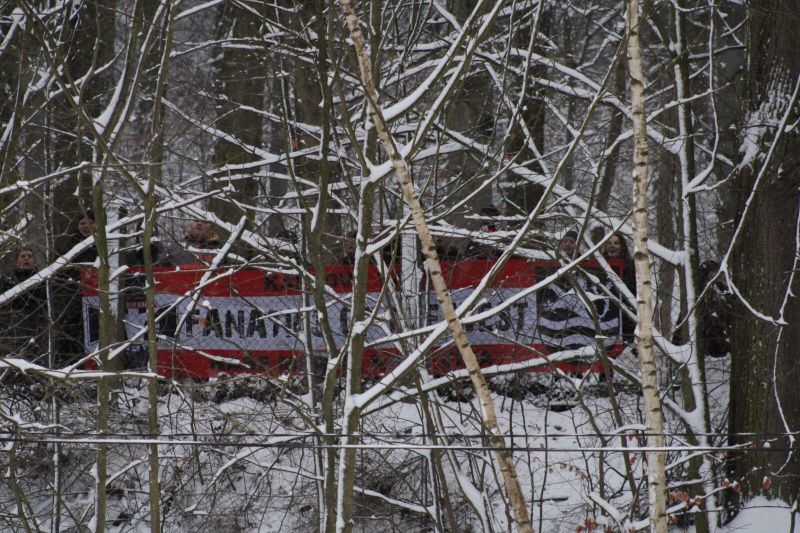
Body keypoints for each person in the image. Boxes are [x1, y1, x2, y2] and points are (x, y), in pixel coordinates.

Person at [0, 248, 46, 357]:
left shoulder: (42, 282)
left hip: (36, 332)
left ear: (35, 263)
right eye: (23, 256)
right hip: (12, 332)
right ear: (16, 262)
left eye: (30, 256)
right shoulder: (9, 282)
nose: (26, 259)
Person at [601, 232, 636, 342]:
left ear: (622, 247)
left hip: (625, 318)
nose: (612, 246)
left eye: (616, 243)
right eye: (609, 243)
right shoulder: (599, 267)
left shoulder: (631, 267)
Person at [698, 260, 731, 357]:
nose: (716, 278)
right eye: (712, 276)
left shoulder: (711, 291)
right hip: (701, 339)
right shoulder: (701, 294)